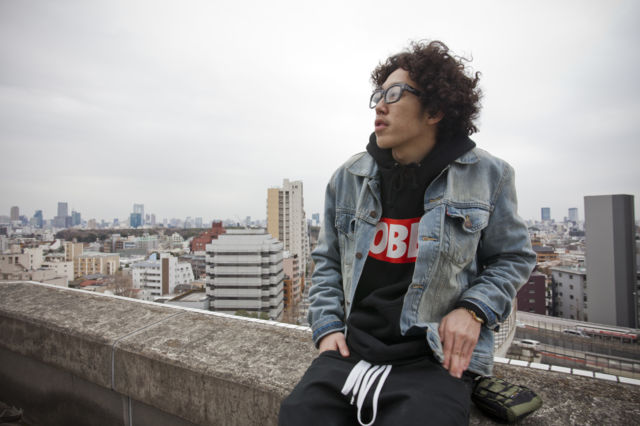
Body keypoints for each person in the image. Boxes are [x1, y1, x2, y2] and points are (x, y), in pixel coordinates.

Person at [279, 40, 536, 426]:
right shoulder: (349, 177)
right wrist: (327, 328)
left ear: (434, 110)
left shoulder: (488, 176)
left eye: (394, 94)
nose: (380, 106)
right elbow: (327, 262)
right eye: (378, 95)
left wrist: (472, 310)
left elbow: (513, 257)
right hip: (351, 348)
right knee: (298, 416)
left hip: (435, 357)